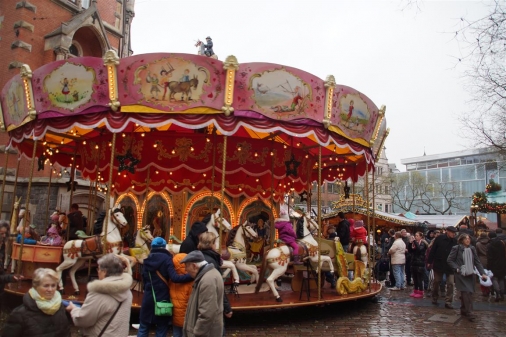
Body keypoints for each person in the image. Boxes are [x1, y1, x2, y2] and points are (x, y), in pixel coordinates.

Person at [67, 254, 133, 336]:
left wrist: (74, 309)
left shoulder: (98, 293)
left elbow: (83, 320)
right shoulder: (127, 291)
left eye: (98, 269)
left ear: (104, 271)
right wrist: (127, 263)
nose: (98, 272)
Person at [138, 237, 193, 337]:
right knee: (161, 328)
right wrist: (191, 276)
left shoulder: (146, 260)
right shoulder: (167, 260)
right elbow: (174, 277)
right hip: (162, 299)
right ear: (164, 247)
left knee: (143, 327)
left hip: (148, 298)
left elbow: (144, 281)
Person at [3, 268, 70, 337]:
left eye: (53, 285)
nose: (50, 289)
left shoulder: (59, 306)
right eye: (46, 286)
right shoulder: (20, 314)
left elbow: (66, 332)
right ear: (36, 286)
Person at [182, 250, 224, 337]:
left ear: (194, 266)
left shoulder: (207, 280)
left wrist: (197, 333)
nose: (186, 270)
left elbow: (207, 314)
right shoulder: (209, 275)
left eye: (186, 266)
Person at [198, 232, 233, 336]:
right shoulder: (211, 261)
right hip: (212, 302)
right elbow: (219, 286)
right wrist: (227, 307)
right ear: (211, 244)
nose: (217, 244)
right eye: (215, 242)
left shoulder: (200, 256)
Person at [447, 233, 487, 321]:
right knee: (466, 292)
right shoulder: (456, 248)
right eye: (466, 239)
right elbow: (450, 260)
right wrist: (457, 269)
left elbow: (477, 262)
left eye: (469, 238)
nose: (468, 240)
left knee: (468, 292)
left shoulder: (472, 249)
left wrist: (482, 273)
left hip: (470, 274)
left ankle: (464, 309)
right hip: (461, 274)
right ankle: (470, 312)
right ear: (461, 240)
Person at [427, 225, 458, 308]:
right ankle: (435, 297)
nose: (453, 234)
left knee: (451, 283)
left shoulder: (455, 241)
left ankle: (448, 301)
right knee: (437, 281)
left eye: (454, 232)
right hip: (439, 263)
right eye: (452, 232)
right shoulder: (439, 238)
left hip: (450, 265)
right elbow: (433, 250)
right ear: (447, 231)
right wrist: (429, 261)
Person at [169, 252, 194, 337]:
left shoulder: (172, 280)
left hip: (175, 315)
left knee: (176, 333)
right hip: (186, 316)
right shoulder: (191, 281)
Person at [407, 231, 428, 298]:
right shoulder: (414, 244)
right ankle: (415, 290)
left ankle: (421, 291)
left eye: (417, 236)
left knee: (419, 278)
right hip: (414, 262)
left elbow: (419, 249)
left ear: (421, 237)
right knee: (415, 278)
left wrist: (415, 242)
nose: (416, 237)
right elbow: (410, 251)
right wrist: (410, 243)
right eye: (415, 235)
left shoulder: (423, 243)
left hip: (420, 263)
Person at [486, 232, 506, 302]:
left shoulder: (490, 245)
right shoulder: (502, 243)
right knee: (501, 278)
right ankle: (502, 293)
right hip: (502, 264)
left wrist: (488, 266)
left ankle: (497, 293)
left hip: (494, 264)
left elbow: (490, 257)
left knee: (494, 279)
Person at [475, 232, 490, 296]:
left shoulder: (478, 244)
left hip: (481, 260)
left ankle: (483, 290)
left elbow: (476, 253)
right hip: (489, 260)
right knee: (489, 275)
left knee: (482, 275)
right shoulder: (489, 243)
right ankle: (489, 288)